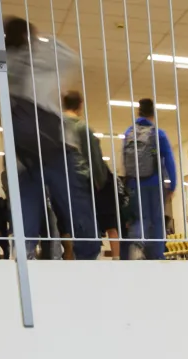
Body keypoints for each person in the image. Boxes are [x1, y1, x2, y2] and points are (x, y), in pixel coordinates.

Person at [3, 18, 101, 260]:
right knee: (75, 204)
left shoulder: (7, 63)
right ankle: (88, 255)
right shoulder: (42, 57)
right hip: (54, 146)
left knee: (27, 202)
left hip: (22, 153)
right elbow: (72, 59)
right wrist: (43, 39)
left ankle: (23, 255)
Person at [62, 89, 119, 259]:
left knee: (70, 228)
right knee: (89, 242)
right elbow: (94, 158)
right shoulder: (81, 128)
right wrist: (100, 183)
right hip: (80, 183)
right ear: (80, 106)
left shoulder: (55, 128)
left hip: (61, 185)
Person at [121, 98, 178, 260]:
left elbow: (125, 159)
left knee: (140, 217)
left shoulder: (129, 133)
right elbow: (169, 160)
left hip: (134, 183)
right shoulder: (157, 133)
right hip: (154, 183)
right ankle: (156, 255)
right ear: (153, 114)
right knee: (157, 219)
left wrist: (129, 180)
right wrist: (172, 185)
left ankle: (136, 242)